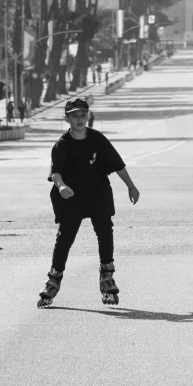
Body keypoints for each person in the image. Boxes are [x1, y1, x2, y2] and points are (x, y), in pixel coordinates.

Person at [38, 98, 140, 309]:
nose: (79, 119)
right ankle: (53, 281)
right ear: (67, 119)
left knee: (105, 231)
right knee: (65, 236)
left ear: (88, 117)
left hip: (97, 192)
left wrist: (131, 186)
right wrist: (61, 186)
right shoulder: (62, 145)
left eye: (83, 115)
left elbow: (117, 164)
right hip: (71, 195)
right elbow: (56, 172)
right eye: (74, 115)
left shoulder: (97, 139)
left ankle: (107, 277)